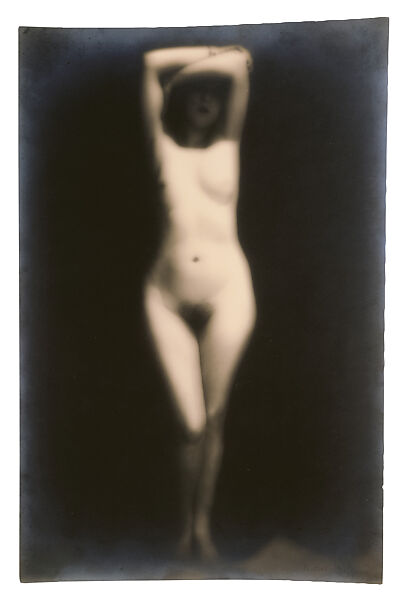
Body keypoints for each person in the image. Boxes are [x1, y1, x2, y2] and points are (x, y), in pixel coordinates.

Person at [142, 45, 256, 561]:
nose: (207, 98)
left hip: (228, 288)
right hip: (165, 295)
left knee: (214, 415)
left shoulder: (228, 143)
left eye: (214, 93)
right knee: (189, 423)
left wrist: (186, 75)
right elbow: (150, 63)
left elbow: (240, 61)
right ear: (180, 101)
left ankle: (200, 529)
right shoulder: (161, 146)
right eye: (196, 93)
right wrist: (171, 84)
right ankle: (180, 527)